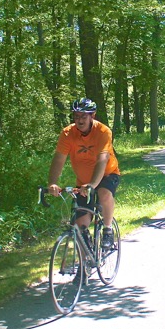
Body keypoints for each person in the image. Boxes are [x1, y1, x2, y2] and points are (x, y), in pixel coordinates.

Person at [48, 98, 120, 251]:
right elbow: (59, 159)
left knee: (104, 193)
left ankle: (107, 230)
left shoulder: (103, 131)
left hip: (107, 174)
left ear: (92, 116)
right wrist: (53, 183)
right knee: (79, 224)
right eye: (76, 116)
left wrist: (92, 185)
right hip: (83, 181)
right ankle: (85, 262)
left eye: (83, 116)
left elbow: (102, 160)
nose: (79, 120)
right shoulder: (68, 133)